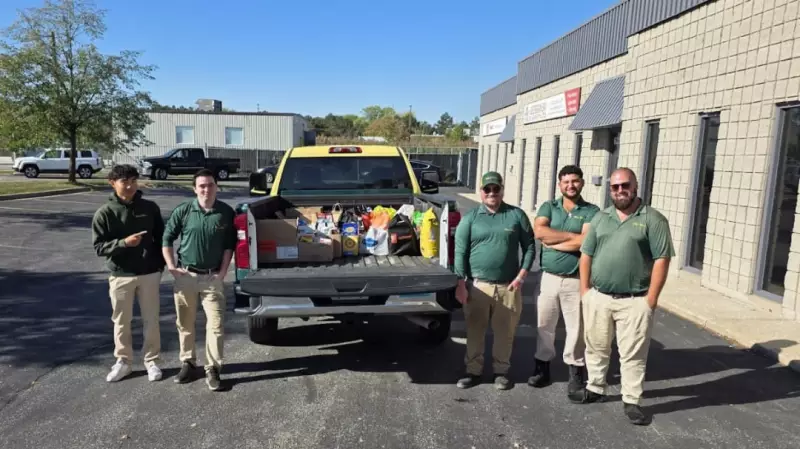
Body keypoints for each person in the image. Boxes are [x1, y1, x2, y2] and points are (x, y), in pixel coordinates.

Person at [570, 167, 674, 426]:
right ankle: (595, 387)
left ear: (635, 186)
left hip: (635, 300)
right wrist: (585, 292)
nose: (619, 191)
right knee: (596, 346)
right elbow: (586, 254)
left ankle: (632, 400)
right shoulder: (600, 218)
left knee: (633, 354)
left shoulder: (653, 219)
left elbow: (662, 259)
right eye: (614, 187)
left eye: (624, 185)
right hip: (599, 297)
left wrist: (650, 299)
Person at [453, 171, 536, 390]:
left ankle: (501, 372)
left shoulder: (516, 215)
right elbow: (460, 253)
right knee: (474, 332)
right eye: (487, 189)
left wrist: (521, 275)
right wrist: (461, 284)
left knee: (505, 333)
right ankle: (473, 371)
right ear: (480, 192)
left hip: (508, 286)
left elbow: (529, 247)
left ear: (501, 190)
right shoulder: (470, 218)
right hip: (478, 286)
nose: (491, 193)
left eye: (495, 189)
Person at [162, 169, 237, 391]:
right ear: (195, 189)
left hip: (212, 278)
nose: (206, 189)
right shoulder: (184, 210)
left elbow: (228, 246)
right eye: (202, 186)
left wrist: (223, 272)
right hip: (186, 276)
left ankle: (213, 368)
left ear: (216, 187)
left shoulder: (225, 212)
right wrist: (172, 267)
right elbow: (167, 238)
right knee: (184, 323)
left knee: (215, 325)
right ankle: (188, 362)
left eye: (210, 185)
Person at [529, 165, 599, 397]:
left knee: (576, 329)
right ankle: (542, 368)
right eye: (566, 181)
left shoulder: (591, 211)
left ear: (582, 183)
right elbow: (539, 232)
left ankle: (576, 374)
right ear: (559, 184)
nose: (571, 185)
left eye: (575, 181)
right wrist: (573, 237)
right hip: (548, 277)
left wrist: (556, 241)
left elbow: (585, 243)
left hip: (576, 279)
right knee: (544, 325)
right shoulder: (549, 206)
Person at [91, 164, 166, 382]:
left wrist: (160, 265)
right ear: (112, 183)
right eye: (125, 181)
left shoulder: (150, 208)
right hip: (121, 274)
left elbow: (161, 239)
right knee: (121, 321)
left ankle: (152, 360)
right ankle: (124, 362)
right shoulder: (104, 213)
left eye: (133, 180)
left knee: (151, 319)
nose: (130, 185)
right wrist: (124, 243)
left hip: (149, 273)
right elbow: (99, 247)